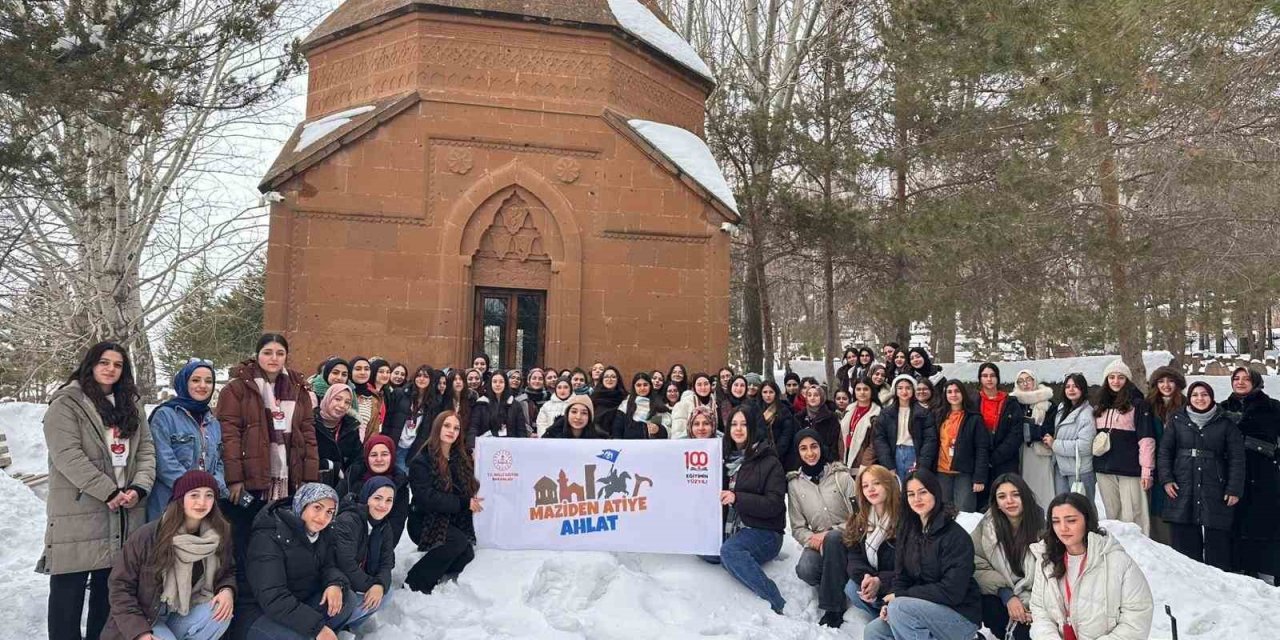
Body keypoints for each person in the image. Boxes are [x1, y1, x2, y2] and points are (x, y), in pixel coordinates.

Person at [41, 342, 157, 640]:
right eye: (104, 362)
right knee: (68, 595)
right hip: (79, 511)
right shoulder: (67, 404)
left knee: (109, 596)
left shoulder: (131, 404)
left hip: (124, 511)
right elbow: (68, 456)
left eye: (117, 364)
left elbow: (146, 451)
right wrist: (108, 491)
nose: (110, 369)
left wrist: (139, 488)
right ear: (91, 364)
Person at [217, 334, 318, 587]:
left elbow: (308, 435)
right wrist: (234, 478)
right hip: (253, 478)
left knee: (279, 537)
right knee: (246, 536)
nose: (274, 358)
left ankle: (273, 586)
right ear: (257, 354)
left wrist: (308, 478)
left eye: (279, 353)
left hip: (289, 476)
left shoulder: (298, 389)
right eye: (268, 352)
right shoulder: (237, 388)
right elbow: (229, 436)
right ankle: (243, 588)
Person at [101, 471, 235, 640]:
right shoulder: (148, 536)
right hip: (146, 618)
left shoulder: (218, 534)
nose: (202, 502)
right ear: (180, 499)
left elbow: (227, 570)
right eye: (194, 495)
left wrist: (226, 590)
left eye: (209, 495)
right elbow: (120, 587)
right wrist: (140, 633)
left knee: (220, 613)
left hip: (183, 611)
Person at [862, 470, 982, 640]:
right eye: (911, 494)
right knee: (874, 631)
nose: (916, 499)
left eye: (923, 492)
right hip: (919, 608)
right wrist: (890, 603)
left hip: (960, 615)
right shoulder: (908, 530)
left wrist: (902, 598)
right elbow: (901, 576)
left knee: (900, 608)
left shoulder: (955, 536)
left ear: (935, 492)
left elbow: (952, 591)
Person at [239, 483, 364, 640]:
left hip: (296, 602)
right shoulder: (268, 535)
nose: (322, 518)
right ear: (302, 504)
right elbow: (273, 597)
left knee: (347, 599)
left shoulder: (321, 533)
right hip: (258, 612)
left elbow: (329, 565)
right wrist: (317, 628)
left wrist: (335, 584)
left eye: (329, 512)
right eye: (317, 508)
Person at [1029, 492, 1153, 640]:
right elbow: (1039, 610)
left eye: (1071, 520)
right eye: (1056, 521)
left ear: (1087, 520)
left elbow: (1137, 617)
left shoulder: (1117, 561)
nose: (1063, 528)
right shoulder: (1046, 561)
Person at [705, 407, 788, 615]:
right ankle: (735, 560)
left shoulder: (769, 461)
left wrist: (737, 498)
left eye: (744, 424)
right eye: (734, 424)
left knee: (729, 551)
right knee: (703, 548)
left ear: (752, 427)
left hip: (765, 531)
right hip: (733, 528)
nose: (738, 429)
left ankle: (774, 599)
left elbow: (774, 504)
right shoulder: (722, 459)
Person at [1158, 381, 1244, 571]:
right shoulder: (1177, 420)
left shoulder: (1225, 422)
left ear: (1211, 397)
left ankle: (1219, 579)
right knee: (1184, 536)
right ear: (1190, 398)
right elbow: (1165, 451)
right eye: (1195, 395)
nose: (1200, 398)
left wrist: (1234, 488)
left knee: (1217, 537)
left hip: (1216, 483)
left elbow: (1237, 458)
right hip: (1183, 481)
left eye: (1204, 394)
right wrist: (1167, 479)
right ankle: (1189, 579)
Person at [786, 429, 856, 627]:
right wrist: (815, 540)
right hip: (818, 544)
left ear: (821, 447)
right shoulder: (794, 485)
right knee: (805, 569)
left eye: (814, 446)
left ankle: (833, 608)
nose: (810, 453)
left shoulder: (840, 476)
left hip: (848, 538)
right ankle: (836, 578)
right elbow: (798, 527)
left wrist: (832, 532)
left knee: (833, 539)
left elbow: (860, 516)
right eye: (804, 448)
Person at [406, 412, 482, 593]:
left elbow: (471, 486)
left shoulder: (460, 458)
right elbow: (428, 498)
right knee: (456, 542)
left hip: (449, 520)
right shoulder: (421, 461)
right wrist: (464, 503)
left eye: (456, 428)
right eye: (447, 426)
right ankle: (415, 583)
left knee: (466, 554)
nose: (451, 431)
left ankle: (435, 567)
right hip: (423, 521)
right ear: (437, 428)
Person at [148, 359, 228, 520]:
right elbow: (164, 461)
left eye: (208, 381)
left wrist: (215, 486)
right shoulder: (165, 415)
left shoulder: (212, 422)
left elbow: (218, 461)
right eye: (196, 380)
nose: (203, 386)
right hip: (171, 503)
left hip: (203, 506)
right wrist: (193, 489)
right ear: (184, 383)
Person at [1221, 366, 1280, 580]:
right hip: (1232, 475)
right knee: (1235, 521)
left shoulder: (1272, 407)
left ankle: (1266, 570)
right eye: (1236, 378)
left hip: (1264, 474)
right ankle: (1238, 567)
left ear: (1256, 382)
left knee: (1263, 521)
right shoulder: (1223, 408)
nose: (1240, 382)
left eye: (1246, 379)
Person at [972, 474, 1045, 640]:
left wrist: (1035, 608)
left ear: (1025, 497)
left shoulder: (1043, 527)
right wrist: (1007, 596)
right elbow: (974, 562)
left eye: (1016, 494)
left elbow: (1051, 573)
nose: (1009, 501)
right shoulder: (987, 527)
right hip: (1001, 597)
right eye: (1002, 496)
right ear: (996, 503)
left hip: (1038, 600)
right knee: (985, 601)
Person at [1092, 359, 1155, 534]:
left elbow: (1146, 439)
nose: (1115, 381)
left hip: (1129, 468)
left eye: (1120, 377)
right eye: (1111, 377)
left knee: (1134, 516)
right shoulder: (1100, 405)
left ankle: (1141, 554)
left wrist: (1147, 470)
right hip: (1104, 468)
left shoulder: (1138, 404)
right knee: (1113, 516)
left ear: (1127, 380)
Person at [329, 476, 396, 624]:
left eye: (388, 500)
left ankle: (347, 626)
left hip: (356, 580)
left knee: (385, 593)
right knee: (354, 600)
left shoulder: (384, 526)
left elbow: (387, 563)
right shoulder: (349, 520)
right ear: (366, 497)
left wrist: (379, 585)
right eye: (377, 498)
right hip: (335, 581)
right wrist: (371, 585)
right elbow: (345, 564)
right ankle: (330, 627)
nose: (383, 505)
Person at [843, 465, 900, 621]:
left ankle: (893, 617)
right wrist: (866, 577)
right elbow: (854, 555)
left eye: (876, 483)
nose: (871, 489)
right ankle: (881, 617)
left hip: (898, 584)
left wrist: (880, 581)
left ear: (888, 484)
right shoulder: (859, 517)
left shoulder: (904, 518)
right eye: (865, 486)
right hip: (874, 578)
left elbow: (909, 567)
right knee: (852, 588)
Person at [337, 434, 410, 548]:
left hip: (376, 547)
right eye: (373, 455)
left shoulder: (400, 485)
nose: (379, 459)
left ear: (392, 456)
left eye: (384, 454)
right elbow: (336, 506)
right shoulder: (353, 476)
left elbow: (395, 526)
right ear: (366, 457)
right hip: (343, 541)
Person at [873, 375, 940, 488]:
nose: (904, 391)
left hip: (914, 453)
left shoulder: (924, 413)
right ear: (895, 390)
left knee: (914, 487)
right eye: (900, 388)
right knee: (895, 489)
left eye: (908, 388)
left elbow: (930, 440)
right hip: (894, 453)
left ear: (913, 390)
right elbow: (879, 438)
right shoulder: (886, 413)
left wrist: (922, 464)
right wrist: (888, 464)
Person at [1145, 365, 1186, 546]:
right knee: (1158, 503)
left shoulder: (1186, 404)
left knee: (1178, 501)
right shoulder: (1149, 405)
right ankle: (1160, 543)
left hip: (1180, 462)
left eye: (1170, 381)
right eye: (1161, 381)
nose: (1166, 385)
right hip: (1155, 462)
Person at [934, 380, 990, 512]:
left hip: (964, 472)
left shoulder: (974, 418)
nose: (953, 395)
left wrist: (979, 478)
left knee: (964, 510)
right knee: (943, 511)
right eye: (949, 392)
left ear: (963, 394)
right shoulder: (938, 415)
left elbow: (982, 449)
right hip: (942, 471)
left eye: (957, 391)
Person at [977, 363, 1024, 507]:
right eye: (985, 376)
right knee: (983, 503)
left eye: (992, 376)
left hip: (1005, 460)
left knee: (1006, 499)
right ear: (980, 379)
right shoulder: (973, 401)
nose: (989, 379)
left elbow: (1016, 433)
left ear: (998, 378)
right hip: (980, 460)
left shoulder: (1010, 402)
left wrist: (996, 457)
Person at [1043, 374, 1097, 501]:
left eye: (1075, 386)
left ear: (1083, 389)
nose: (1071, 390)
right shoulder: (1062, 409)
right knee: (1063, 508)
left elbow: (1085, 446)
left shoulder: (1087, 414)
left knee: (1083, 509)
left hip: (1080, 471)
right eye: (1068, 386)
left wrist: (1054, 444)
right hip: (1061, 469)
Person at [1012, 370, 1058, 513]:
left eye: (1029, 379)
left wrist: (1032, 431)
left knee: (1043, 487)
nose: (1025, 384)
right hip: (1019, 451)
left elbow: (1051, 428)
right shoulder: (1014, 402)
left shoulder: (1047, 403)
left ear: (1035, 380)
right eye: (1021, 381)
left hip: (1040, 451)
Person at [313, 385, 360, 489]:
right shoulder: (311, 422)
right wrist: (328, 465)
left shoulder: (351, 426)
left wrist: (347, 479)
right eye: (337, 399)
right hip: (313, 483)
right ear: (328, 398)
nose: (342, 405)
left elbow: (358, 459)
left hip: (341, 485)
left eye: (347, 402)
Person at [393, 366, 438, 472]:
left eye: (426, 376)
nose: (421, 379)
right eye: (419, 375)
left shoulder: (433, 403)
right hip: (398, 444)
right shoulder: (401, 393)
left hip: (414, 447)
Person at [840, 378, 881, 473]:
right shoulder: (848, 410)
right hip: (845, 459)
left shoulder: (877, 414)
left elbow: (874, 443)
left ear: (872, 391)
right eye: (858, 389)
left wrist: (865, 463)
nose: (862, 392)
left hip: (864, 464)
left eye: (865, 389)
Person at [795, 384, 841, 466]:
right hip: (804, 462)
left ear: (822, 397)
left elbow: (834, 444)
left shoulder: (831, 417)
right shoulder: (799, 418)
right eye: (809, 395)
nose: (812, 398)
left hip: (826, 462)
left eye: (816, 395)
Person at [758, 381, 797, 468]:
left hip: (780, 456)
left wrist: (775, 454)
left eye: (771, 392)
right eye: (765, 392)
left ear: (776, 393)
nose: (768, 395)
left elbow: (786, 436)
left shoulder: (784, 411)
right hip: (760, 454)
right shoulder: (756, 410)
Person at [347, 357, 384, 442]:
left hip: (360, 450)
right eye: (358, 369)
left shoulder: (374, 398)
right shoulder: (343, 393)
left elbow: (373, 430)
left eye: (366, 369)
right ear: (350, 372)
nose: (363, 372)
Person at [671, 373, 718, 439]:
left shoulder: (715, 404)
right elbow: (677, 433)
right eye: (699, 385)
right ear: (694, 387)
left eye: (706, 384)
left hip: (710, 444)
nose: (703, 387)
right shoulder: (683, 404)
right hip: (689, 444)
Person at [543, 396, 607, 439]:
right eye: (574, 412)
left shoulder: (599, 438)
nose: (578, 417)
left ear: (589, 417)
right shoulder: (552, 434)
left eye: (584, 413)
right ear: (567, 414)